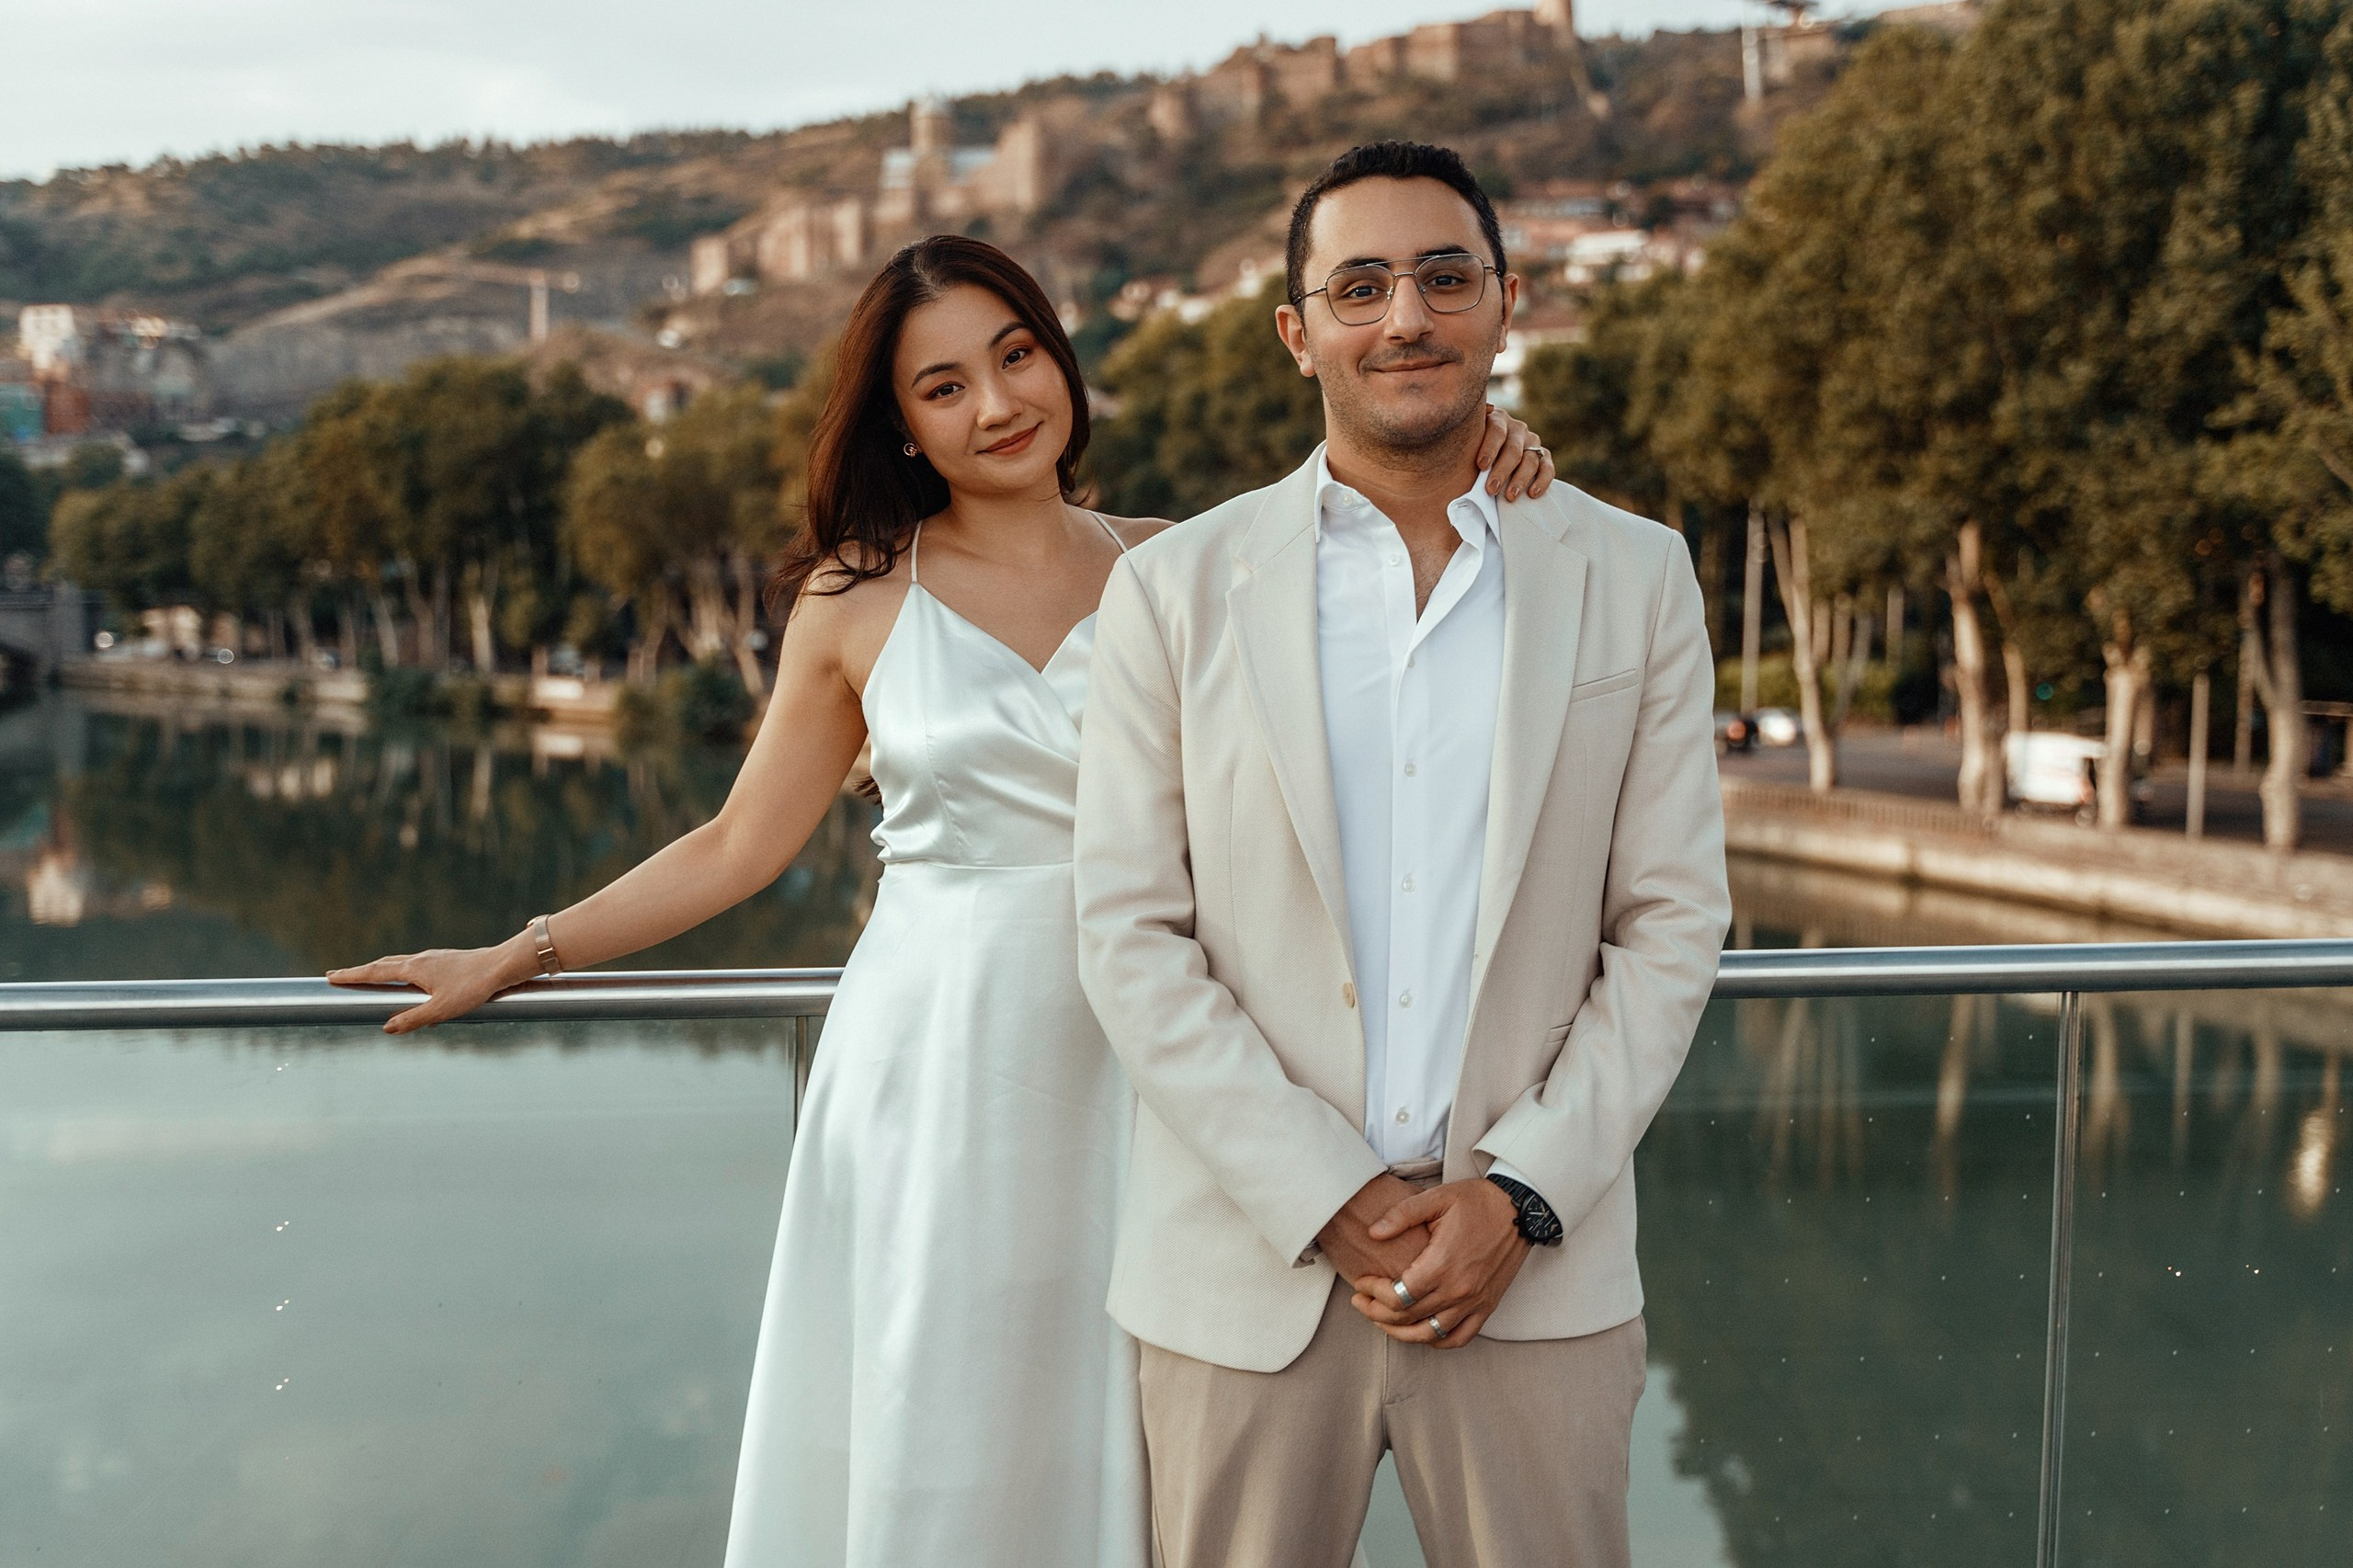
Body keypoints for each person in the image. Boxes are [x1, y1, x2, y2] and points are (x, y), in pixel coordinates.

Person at [327, 233, 1556, 1566]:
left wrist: (1504, 457)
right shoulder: (857, 600)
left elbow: (1401, 591)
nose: (998, 405)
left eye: (1016, 355)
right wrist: (521, 949)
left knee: (1148, 1422)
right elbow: (740, 843)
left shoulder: (1189, 566)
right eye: (945, 386)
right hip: (936, 1057)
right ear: (902, 424)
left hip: (1159, 1057)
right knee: (938, 1400)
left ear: (1060, 358)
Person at [1074, 142, 1732, 1568]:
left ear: (1507, 304)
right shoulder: (1173, 591)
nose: (1406, 317)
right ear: (1299, 332)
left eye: (1444, 277)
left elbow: (1675, 925)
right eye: (1359, 286)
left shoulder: (1639, 574)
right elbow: (1128, 933)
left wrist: (1524, 1192)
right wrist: (1329, 1193)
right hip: (1243, 1282)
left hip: (1536, 1286)